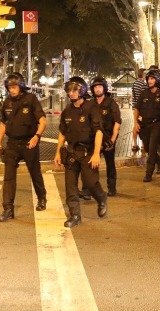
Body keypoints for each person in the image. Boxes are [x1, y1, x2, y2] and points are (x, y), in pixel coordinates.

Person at [53, 77, 107, 228]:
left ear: (82, 90)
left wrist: (96, 153)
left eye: (75, 90)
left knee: (90, 182)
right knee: (70, 186)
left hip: (88, 152)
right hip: (71, 152)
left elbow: (98, 132)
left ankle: (101, 198)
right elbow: (62, 133)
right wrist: (58, 153)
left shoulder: (92, 108)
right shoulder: (67, 111)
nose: (71, 93)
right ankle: (75, 215)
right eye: (69, 90)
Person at [0, 72, 47, 222]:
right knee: (8, 177)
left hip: (29, 143)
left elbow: (42, 120)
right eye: (9, 87)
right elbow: (3, 124)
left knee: (35, 172)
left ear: (21, 86)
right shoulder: (6, 103)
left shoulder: (31, 99)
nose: (12, 89)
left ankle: (42, 198)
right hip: (12, 144)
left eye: (14, 86)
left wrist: (37, 136)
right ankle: (8, 209)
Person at [134, 69, 160, 182]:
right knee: (147, 149)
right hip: (144, 125)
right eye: (148, 79)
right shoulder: (144, 93)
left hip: (156, 125)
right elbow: (137, 108)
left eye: (152, 79)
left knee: (152, 151)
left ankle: (148, 174)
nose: (150, 81)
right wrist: (135, 123)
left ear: (157, 80)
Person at [90, 76, 121, 196]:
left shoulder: (111, 103)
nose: (97, 89)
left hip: (108, 138)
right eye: (95, 87)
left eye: (99, 87)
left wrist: (112, 140)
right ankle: (89, 189)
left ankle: (112, 188)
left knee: (110, 164)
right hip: (93, 139)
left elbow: (117, 122)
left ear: (104, 88)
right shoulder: (90, 103)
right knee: (91, 164)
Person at [130, 68, 147, 152]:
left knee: (135, 125)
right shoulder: (143, 84)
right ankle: (143, 145)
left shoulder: (134, 84)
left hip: (135, 108)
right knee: (143, 126)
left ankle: (135, 144)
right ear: (143, 75)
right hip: (142, 109)